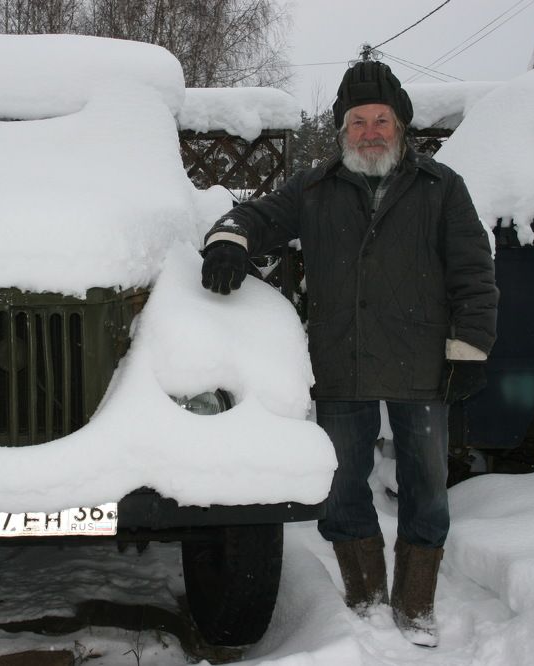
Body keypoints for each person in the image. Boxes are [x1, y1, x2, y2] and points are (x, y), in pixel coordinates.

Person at [200, 60, 498, 647]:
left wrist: (470, 348)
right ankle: (365, 597)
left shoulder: (441, 187)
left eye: (381, 120)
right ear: (342, 130)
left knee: (427, 488)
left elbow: (473, 270)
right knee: (341, 488)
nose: (370, 132)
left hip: (421, 363)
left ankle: (415, 604)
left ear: (400, 125)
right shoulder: (314, 188)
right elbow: (257, 215)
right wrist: (230, 239)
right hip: (343, 360)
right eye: (357, 121)